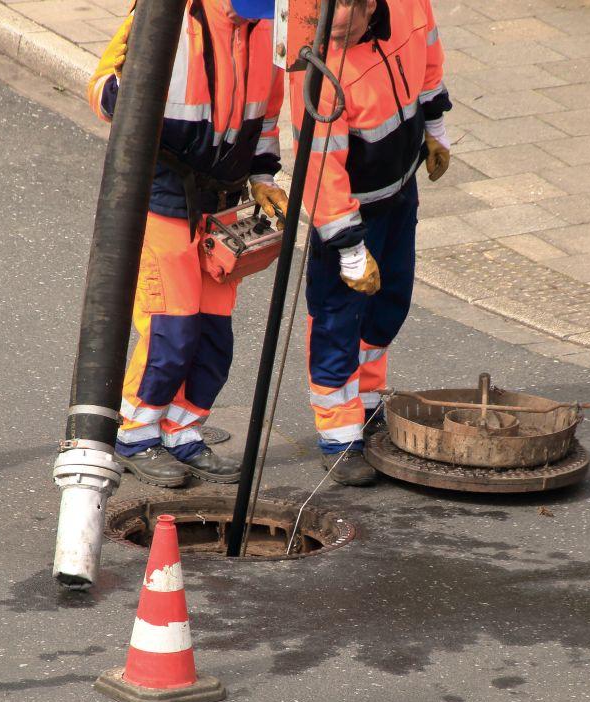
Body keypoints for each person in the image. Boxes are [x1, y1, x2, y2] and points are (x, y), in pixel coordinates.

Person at [88, 0, 288, 486]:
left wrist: (263, 175)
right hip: (162, 199)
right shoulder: (169, 22)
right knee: (170, 331)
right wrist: (121, 78)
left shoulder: (265, 29)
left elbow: (266, 118)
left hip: (220, 205)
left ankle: (182, 430)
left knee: (214, 337)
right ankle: (135, 432)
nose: (252, 18)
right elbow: (102, 95)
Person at [291, 0, 451, 486]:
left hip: (399, 193)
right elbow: (320, 167)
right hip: (349, 211)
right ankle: (339, 435)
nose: (334, 34)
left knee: (390, 304)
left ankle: (364, 402)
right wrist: (348, 247)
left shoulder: (406, 7)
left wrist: (436, 130)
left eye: (345, 23)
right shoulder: (316, 61)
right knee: (339, 319)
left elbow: (429, 60)